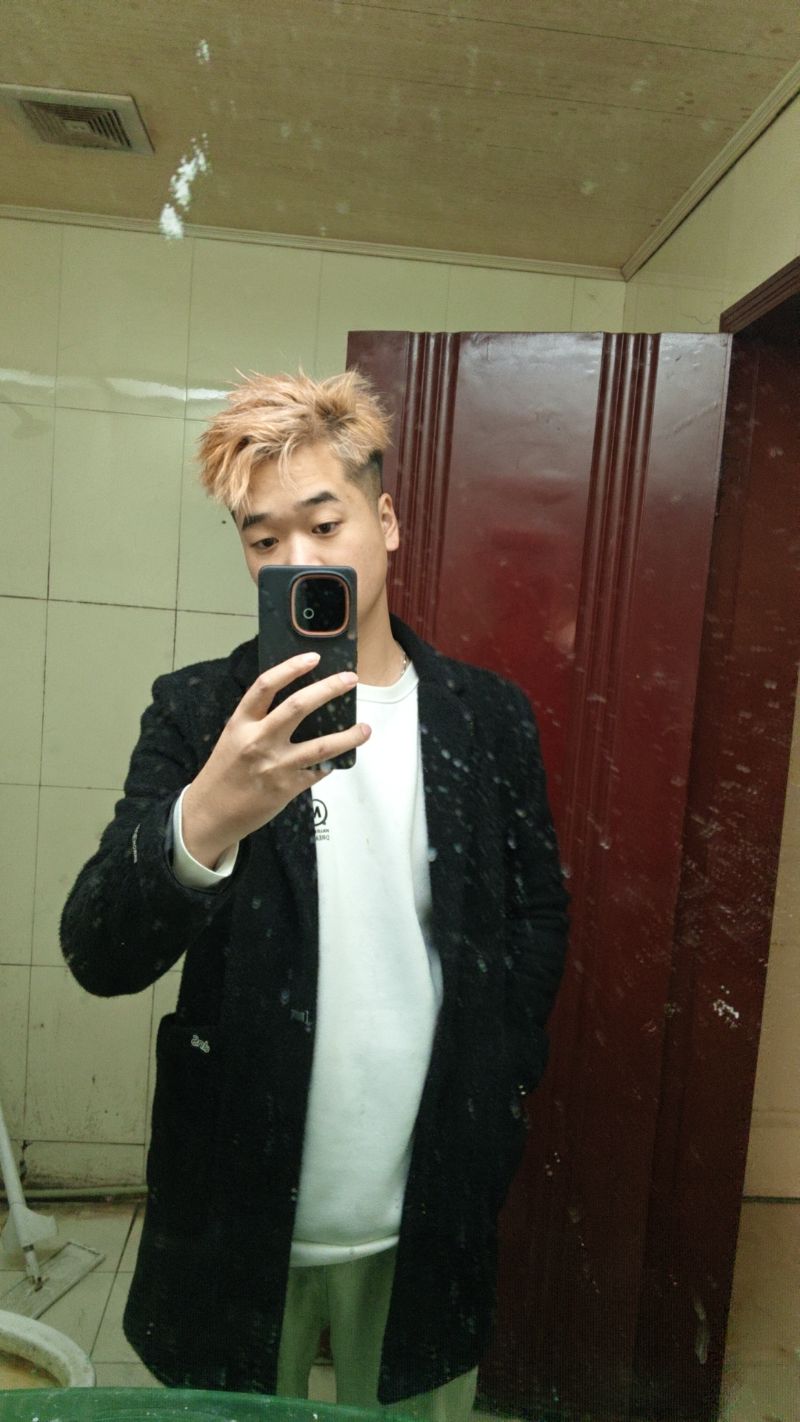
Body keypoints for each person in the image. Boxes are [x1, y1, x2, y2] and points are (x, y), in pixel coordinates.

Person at [61, 369, 569, 1418]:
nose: (297, 561)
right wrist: (209, 813)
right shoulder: (202, 712)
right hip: (236, 1200)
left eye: (324, 523)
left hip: (429, 1199)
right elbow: (99, 953)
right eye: (263, 539)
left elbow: (536, 915)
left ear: (386, 523)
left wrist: (502, 1075)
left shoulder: (486, 718)